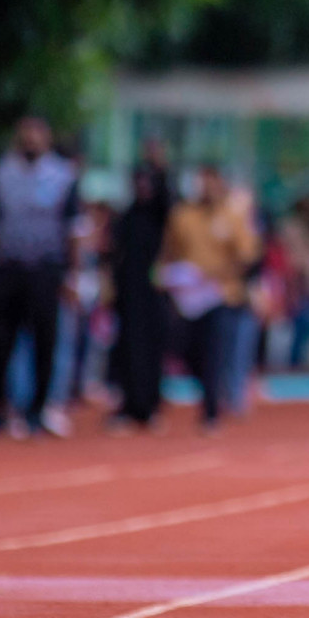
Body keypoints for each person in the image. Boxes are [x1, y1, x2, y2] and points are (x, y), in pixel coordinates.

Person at [0, 117, 83, 438]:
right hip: (9, 266)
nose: (32, 140)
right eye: (26, 134)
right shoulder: (1, 172)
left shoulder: (63, 175)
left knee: (45, 341)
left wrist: (74, 275)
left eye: (38, 134)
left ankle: (38, 410)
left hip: (46, 268)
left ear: (47, 139)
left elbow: (74, 229)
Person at [158, 164, 260, 431]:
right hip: (188, 297)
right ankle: (208, 392)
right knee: (186, 350)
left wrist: (221, 272)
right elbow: (170, 251)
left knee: (215, 353)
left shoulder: (232, 216)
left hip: (221, 295)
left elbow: (248, 255)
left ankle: (211, 411)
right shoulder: (182, 216)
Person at [108, 160, 172, 431]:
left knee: (151, 351)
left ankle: (149, 406)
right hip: (128, 294)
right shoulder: (128, 216)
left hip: (153, 295)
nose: (143, 187)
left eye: (149, 181)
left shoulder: (161, 217)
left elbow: (169, 203)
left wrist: (161, 166)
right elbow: (113, 253)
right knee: (127, 350)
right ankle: (129, 404)